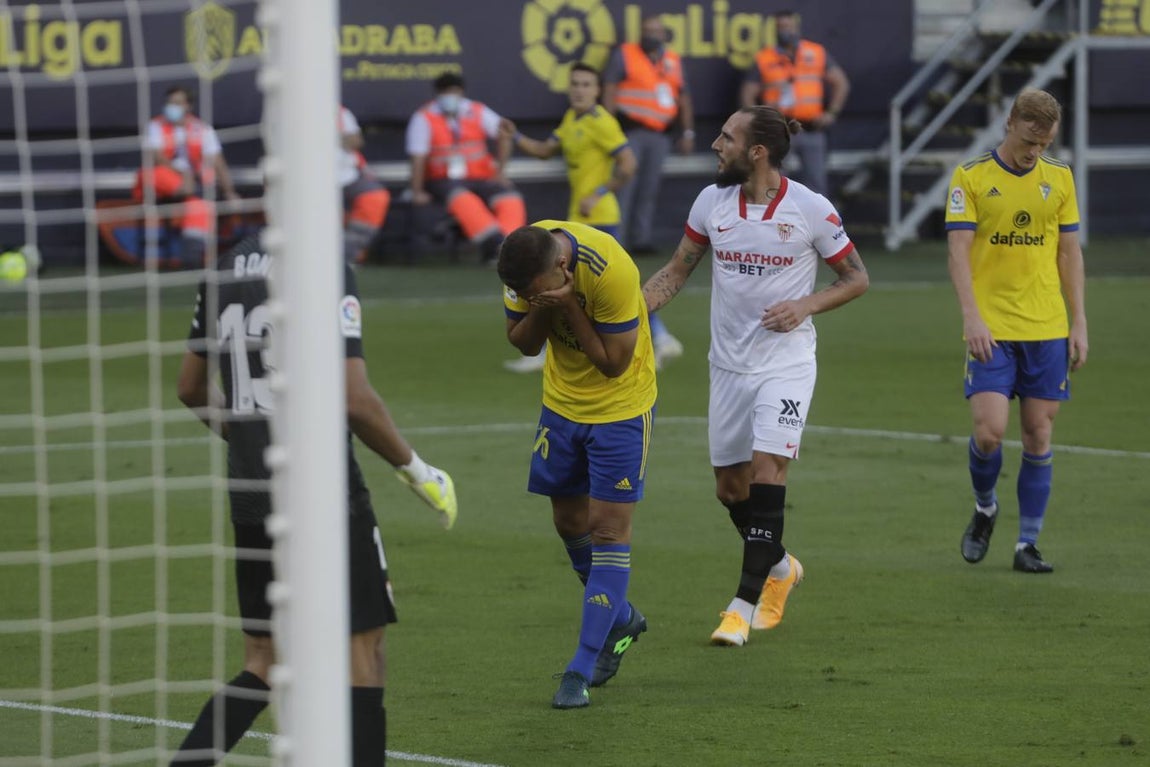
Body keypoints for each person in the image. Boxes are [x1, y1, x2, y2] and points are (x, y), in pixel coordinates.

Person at [174, 231, 458, 765]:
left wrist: (252, 438)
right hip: (324, 493)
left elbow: (190, 387)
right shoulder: (320, 260)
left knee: (262, 661)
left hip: (252, 490)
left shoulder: (225, 267)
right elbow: (354, 398)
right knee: (364, 653)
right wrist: (419, 472)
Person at [642, 106, 868, 647]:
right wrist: (627, 319)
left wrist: (806, 305)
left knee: (769, 471)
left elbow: (856, 277)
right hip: (727, 368)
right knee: (730, 490)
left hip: (785, 366)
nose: (716, 145)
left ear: (757, 152)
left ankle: (740, 607)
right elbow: (676, 272)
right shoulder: (710, 203)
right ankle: (781, 565)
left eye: (726, 137)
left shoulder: (810, 209)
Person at [497, 221, 656, 708]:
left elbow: (612, 363)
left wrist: (567, 304)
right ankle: (621, 616)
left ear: (563, 267)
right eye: (519, 292)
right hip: (561, 406)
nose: (525, 296)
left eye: (532, 291)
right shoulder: (525, 262)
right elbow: (523, 343)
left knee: (608, 532)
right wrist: (544, 306)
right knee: (568, 521)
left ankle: (581, 667)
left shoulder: (612, 271)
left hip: (620, 410)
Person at [946, 88, 1087, 574]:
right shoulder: (971, 178)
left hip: (1046, 325)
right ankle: (986, 507)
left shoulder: (1060, 179)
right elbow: (958, 252)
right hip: (992, 326)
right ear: (1010, 123)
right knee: (989, 433)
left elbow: (1069, 253)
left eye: (1043, 144)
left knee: (1037, 433)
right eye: (1029, 141)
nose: (1034, 152)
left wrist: (1079, 321)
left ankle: (1027, 544)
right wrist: (971, 316)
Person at [503, 63, 684, 372]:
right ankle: (660, 337)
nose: (579, 90)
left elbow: (628, 164)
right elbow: (547, 150)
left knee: (597, 284)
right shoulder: (572, 118)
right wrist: (516, 136)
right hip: (577, 221)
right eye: (575, 84)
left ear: (597, 90)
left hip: (599, 218)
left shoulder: (603, 122)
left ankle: (660, 336)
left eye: (586, 84)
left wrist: (599, 193)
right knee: (565, 282)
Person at [405, 72, 526, 265]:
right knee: (463, 199)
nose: (449, 96)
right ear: (437, 94)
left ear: (461, 92)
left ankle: (514, 246)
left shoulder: (476, 111)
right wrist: (417, 190)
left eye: (453, 91)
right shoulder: (424, 117)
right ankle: (495, 247)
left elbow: (505, 133)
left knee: (509, 197)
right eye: (445, 92)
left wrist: (500, 173)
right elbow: (417, 157)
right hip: (442, 179)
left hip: (481, 177)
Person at [602, 14, 696, 257]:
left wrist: (687, 131)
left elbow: (683, 97)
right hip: (630, 130)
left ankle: (641, 238)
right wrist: (609, 128)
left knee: (649, 188)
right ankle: (617, 241)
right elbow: (610, 89)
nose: (651, 36)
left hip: (660, 133)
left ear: (664, 34)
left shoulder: (672, 60)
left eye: (655, 31)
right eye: (646, 31)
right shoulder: (626, 53)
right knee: (625, 185)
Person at [740, 10, 850, 196]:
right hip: (780, 130)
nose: (785, 31)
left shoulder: (815, 52)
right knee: (774, 184)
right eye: (781, 27)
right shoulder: (765, 58)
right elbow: (747, 93)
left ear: (796, 27)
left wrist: (832, 112)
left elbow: (841, 82)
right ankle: (777, 223)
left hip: (811, 128)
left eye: (788, 26)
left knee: (816, 185)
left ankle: (815, 225)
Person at [134, 85, 240, 268]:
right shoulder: (155, 126)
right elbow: (156, 156)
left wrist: (229, 191)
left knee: (198, 205)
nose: (172, 107)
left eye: (177, 103)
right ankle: (188, 190)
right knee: (153, 174)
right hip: (166, 181)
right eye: (170, 102)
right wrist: (183, 174)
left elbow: (218, 161)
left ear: (188, 106)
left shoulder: (203, 129)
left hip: (194, 185)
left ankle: (192, 254)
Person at [339, 105, 391, 264]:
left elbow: (356, 141)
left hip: (348, 175)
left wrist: (339, 135)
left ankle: (347, 257)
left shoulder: (339, 112)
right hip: (310, 178)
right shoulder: (291, 109)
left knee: (375, 197)